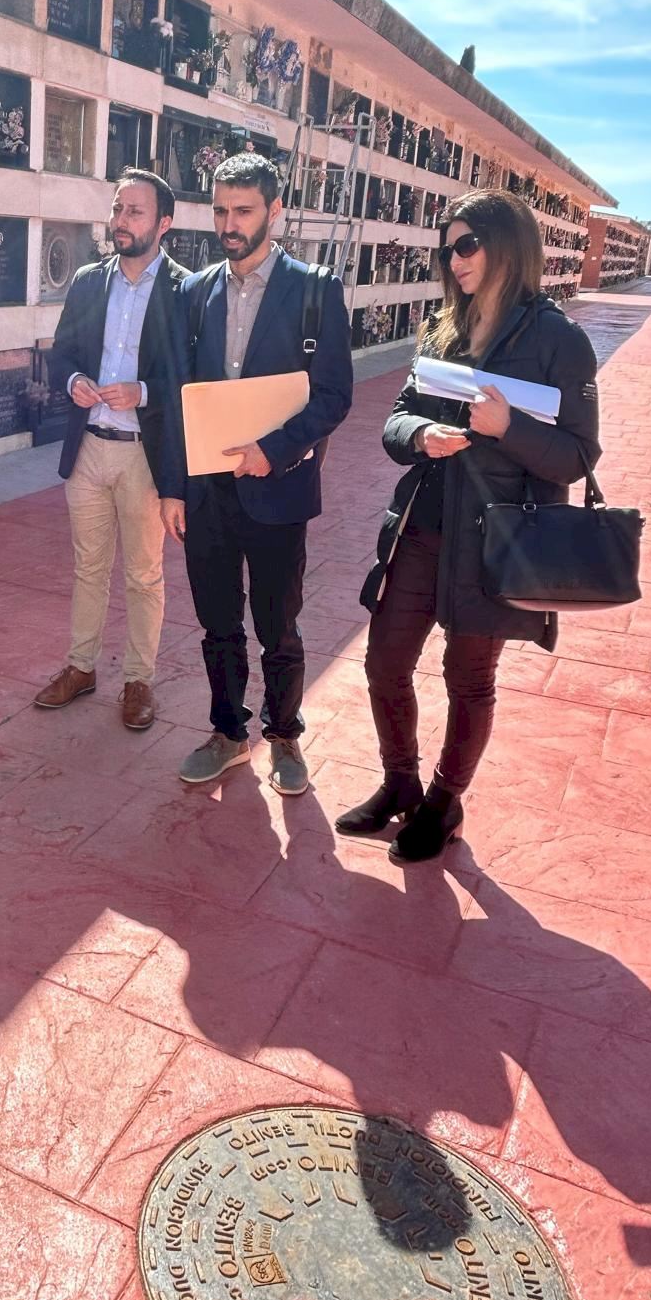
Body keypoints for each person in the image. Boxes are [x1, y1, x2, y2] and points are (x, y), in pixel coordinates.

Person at [340, 190, 601, 861]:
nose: (453, 260)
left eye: (466, 245)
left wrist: (508, 427)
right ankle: (400, 783)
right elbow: (396, 419)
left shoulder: (558, 340)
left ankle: (443, 802)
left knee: (468, 678)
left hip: (496, 541)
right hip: (424, 530)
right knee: (385, 662)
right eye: (447, 248)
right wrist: (420, 434)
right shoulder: (442, 329)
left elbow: (578, 456)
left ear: (507, 246)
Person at [160, 151, 353, 791]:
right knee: (217, 625)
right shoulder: (194, 292)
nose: (229, 224)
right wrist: (172, 488)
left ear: (275, 210)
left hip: (279, 488)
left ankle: (284, 735)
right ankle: (228, 733)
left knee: (278, 627)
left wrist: (274, 449)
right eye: (220, 210)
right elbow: (177, 396)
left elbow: (334, 396)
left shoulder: (315, 289)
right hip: (208, 492)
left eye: (243, 211)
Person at [35, 169, 188, 729]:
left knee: (143, 574)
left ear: (163, 223)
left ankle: (138, 680)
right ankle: (82, 667)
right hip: (89, 449)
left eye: (134, 212)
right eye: (118, 209)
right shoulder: (86, 281)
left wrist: (143, 392)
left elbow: (194, 377)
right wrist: (73, 378)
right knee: (88, 568)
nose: (121, 221)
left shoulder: (186, 291)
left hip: (146, 456)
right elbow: (62, 352)